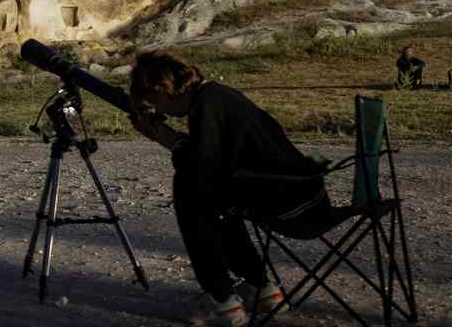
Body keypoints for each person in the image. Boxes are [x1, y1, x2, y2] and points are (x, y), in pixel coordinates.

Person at [129, 51, 327, 327]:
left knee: (190, 189)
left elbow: (204, 170)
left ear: (162, 92)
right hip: (302, 194)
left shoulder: (206, 106)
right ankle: (261, 287)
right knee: (213, 197)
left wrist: (168, 139)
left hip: (292, 204)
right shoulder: (215, 96)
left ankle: (221, 298)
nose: (160, 113)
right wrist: (175, 142)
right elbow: (218, 163)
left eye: (154, 104)